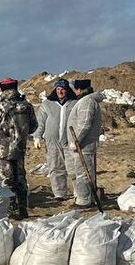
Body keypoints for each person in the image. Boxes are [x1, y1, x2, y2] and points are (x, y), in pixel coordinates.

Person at [0, 78, 35, 218]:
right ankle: (23, 209)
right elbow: (33, 127)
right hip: (20, 148)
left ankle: (11, 210)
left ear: (2, 90)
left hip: (3, 150)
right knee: (20, 179)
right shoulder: (27, 106)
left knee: (6, 180)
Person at [33, 78, 78, 202]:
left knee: (73, 167)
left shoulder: (74, 103)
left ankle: (78, 192)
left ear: (67, 90)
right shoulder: (47, 104)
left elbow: (79, 120)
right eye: (58, 89)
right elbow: (40, 122)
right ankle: (59, 193)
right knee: (55, 167)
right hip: (52, 140)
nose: (60, 92)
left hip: (70, 140)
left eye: (63, 89)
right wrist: (37, 136)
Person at [66, 78, 102, 208]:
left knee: (82, 173)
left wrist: (76, 141)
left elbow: (84, 124)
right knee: (85, 172)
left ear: (78, 89)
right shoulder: (86, 101)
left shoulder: (87, 102)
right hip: (83, 144)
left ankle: (83, 200)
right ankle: (90, 196)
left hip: (84, 145)